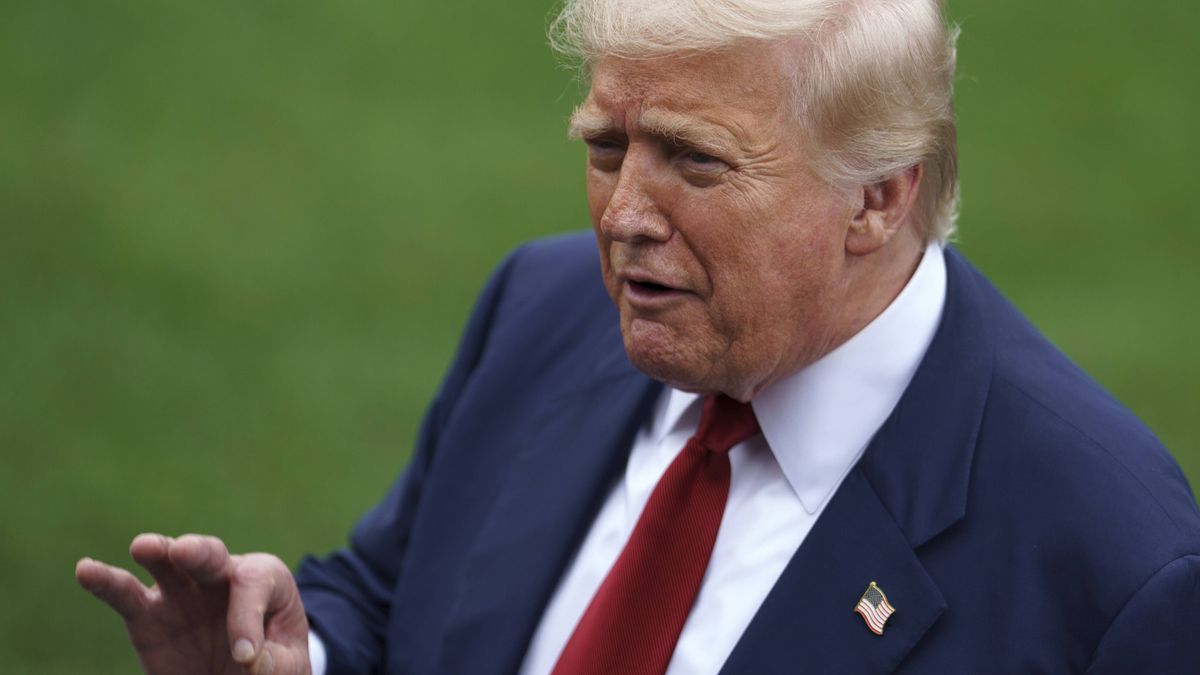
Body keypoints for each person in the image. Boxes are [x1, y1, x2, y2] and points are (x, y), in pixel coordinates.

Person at [75, 0, 1200, 673]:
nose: (620, 218)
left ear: (878, 198)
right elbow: (395, 600)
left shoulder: (1114, 569)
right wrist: (295, 658)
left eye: (695, 160)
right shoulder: (545, 308)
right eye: (608, 146)